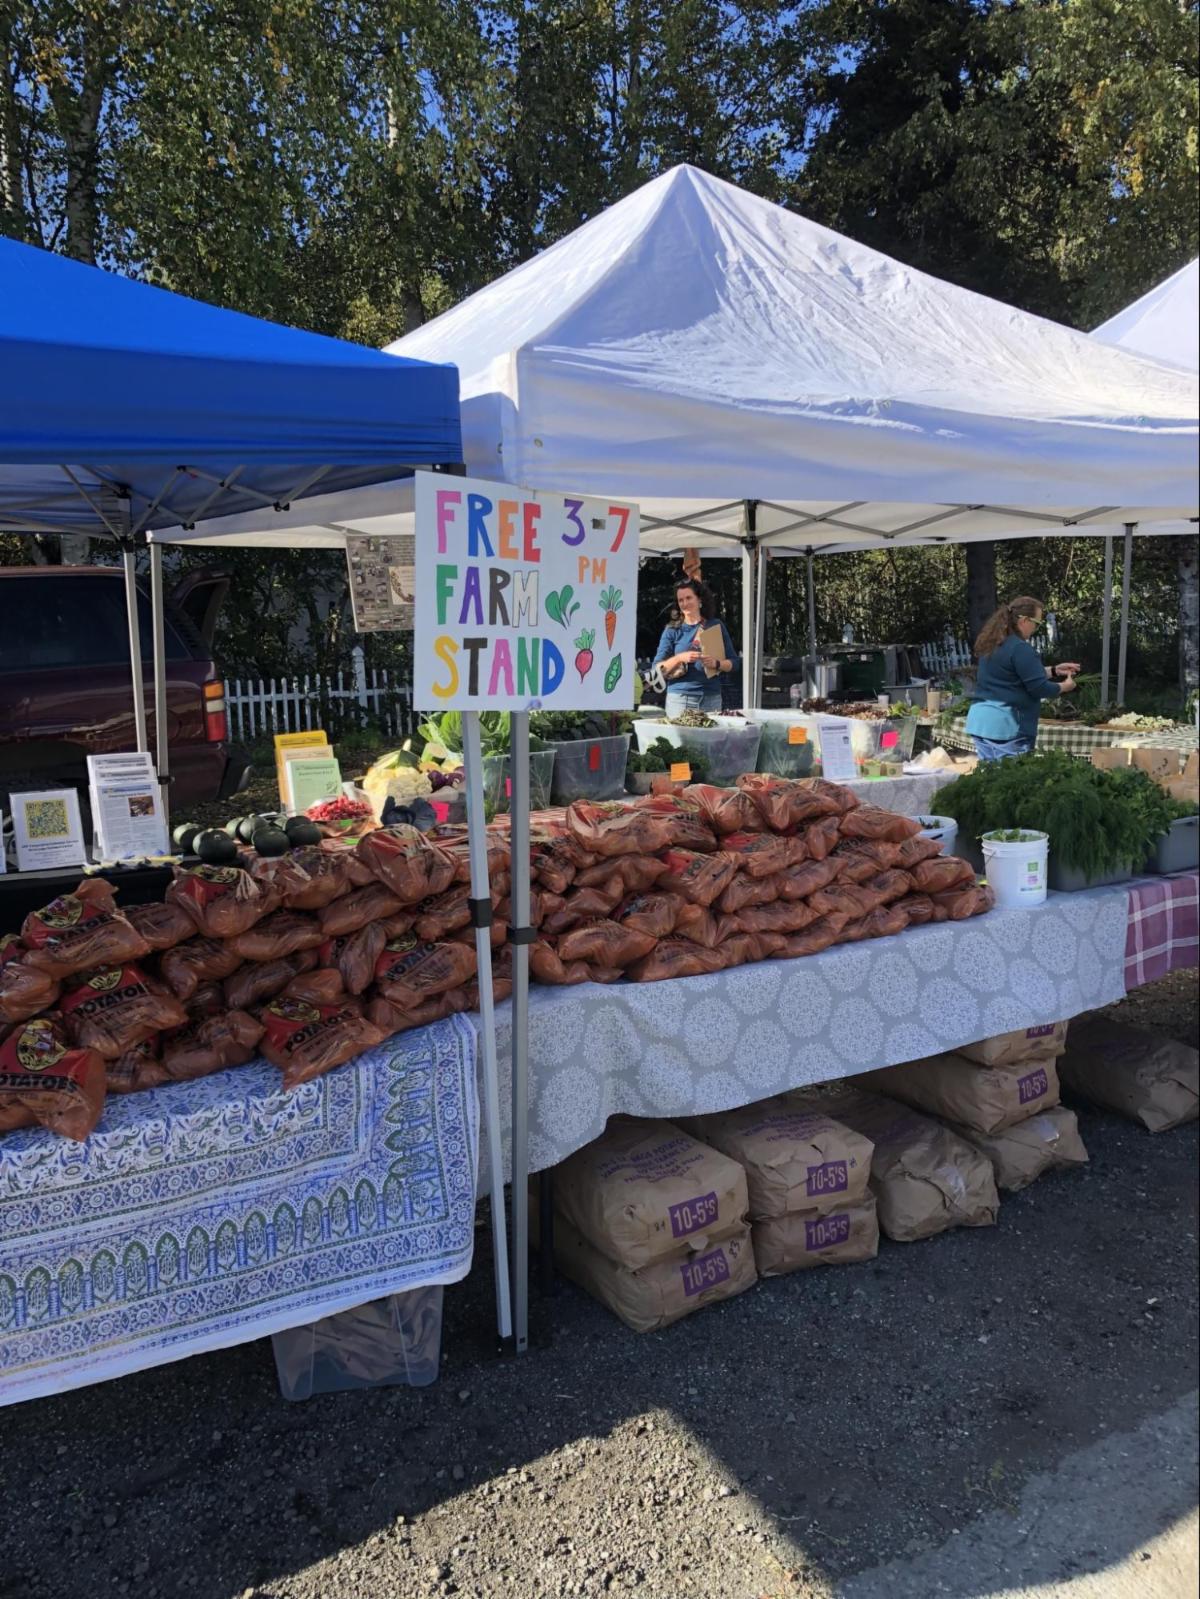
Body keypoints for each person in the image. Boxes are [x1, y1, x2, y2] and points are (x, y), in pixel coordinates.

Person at [966, 596, 1079, 761]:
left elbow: (1012, 676)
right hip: (1007, 730)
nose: (1036, 628)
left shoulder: (993, 644)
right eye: (1037, 623)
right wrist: (1065, 686)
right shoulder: (1021, 649)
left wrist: (1054, 670)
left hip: (981, 724)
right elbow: (1039, 688)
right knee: (1013, 782)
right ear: (1024, 620)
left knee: (989, 780)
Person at [652, 578, 738, 718]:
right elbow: (657, 669)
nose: (684, 603)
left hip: (711, 698)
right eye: (680, 600)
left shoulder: (715, 625)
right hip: (680, 699)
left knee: (710, 740)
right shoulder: (672, 630)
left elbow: (734, 663)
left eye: (688, 598)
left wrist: (717, 664)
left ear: (700, 600)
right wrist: (680, 658)